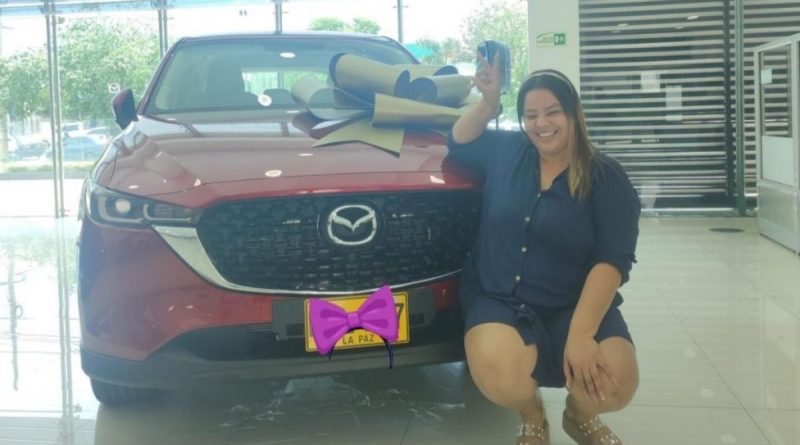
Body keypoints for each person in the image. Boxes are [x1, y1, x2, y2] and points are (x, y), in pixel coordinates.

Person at [446, 53, 640, 445]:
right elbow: (458, 141)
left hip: (574, 304)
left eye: (553, 112)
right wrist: (488, 104)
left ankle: (579, 416)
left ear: (574, 114)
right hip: (502, 299)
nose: (542, 124)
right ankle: (531, 413)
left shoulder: (606, 177)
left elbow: (612, 261)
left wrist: (582, 335)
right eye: (531, 115)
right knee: (498, 370)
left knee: (616, 381)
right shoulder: (507, 151)